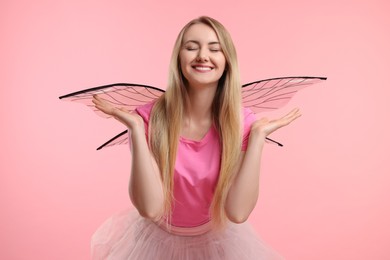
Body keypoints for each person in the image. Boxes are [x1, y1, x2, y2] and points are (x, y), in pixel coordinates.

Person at [90, 16, 300, 259]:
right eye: (191, 47)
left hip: (218, 242)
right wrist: (136, 129)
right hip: (155, 242)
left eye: (215, 48)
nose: (202, 55)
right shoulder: (149, 119)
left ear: (227, 61)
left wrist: (257, 139)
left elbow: (238, 213)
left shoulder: (241, 123)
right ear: (179, 58)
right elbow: (150, 208)